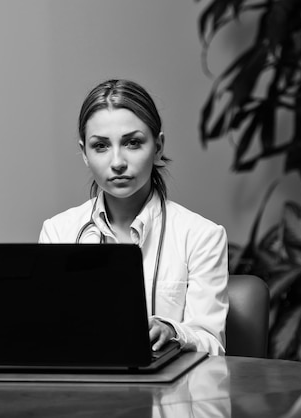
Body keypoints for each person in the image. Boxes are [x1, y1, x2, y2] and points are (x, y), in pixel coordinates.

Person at [39, 79, 229, 355]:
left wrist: (173, 331)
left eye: (132, 142)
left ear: (158, 146)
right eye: (101, 146)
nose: (117, 162)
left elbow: (214, 344)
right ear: (84, 153)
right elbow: (49, 334)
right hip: (85, 393)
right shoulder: (57, 232)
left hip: (170, 395)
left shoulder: (202, 236)